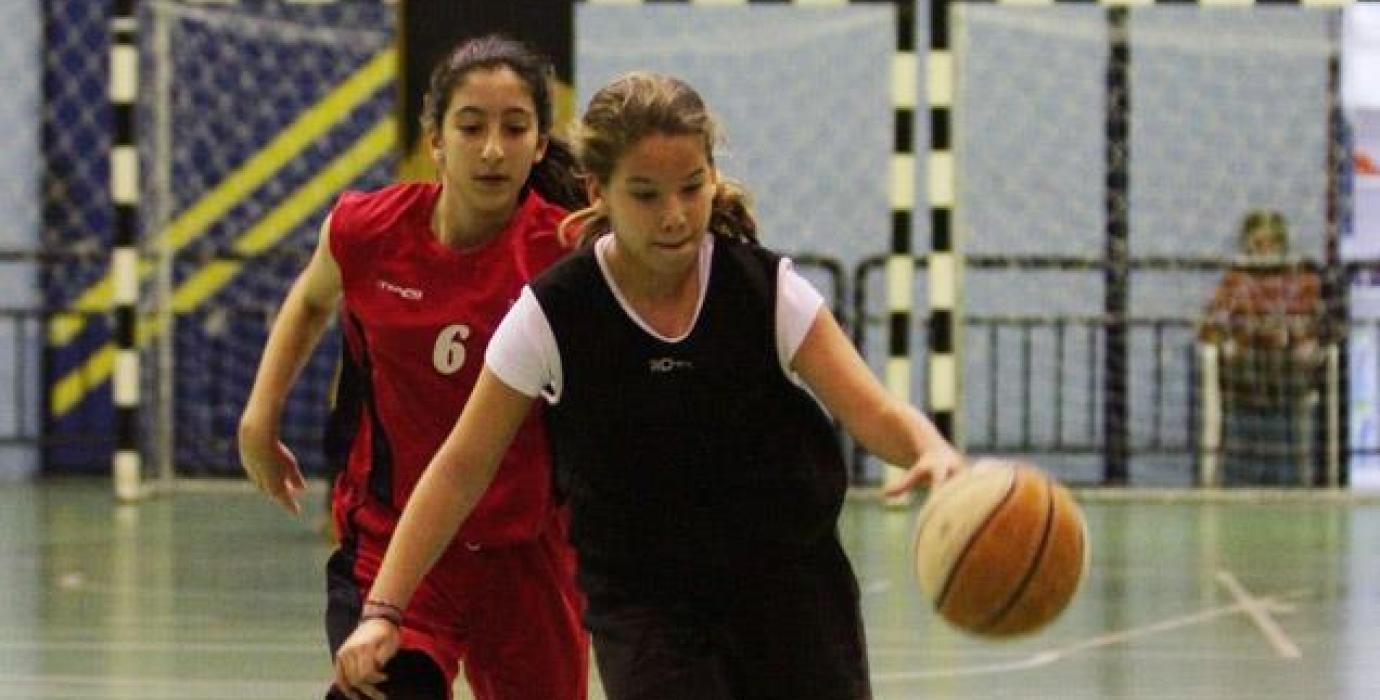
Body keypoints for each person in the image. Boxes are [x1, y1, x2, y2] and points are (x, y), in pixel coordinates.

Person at [331, 71, 965, 700]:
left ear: (712, 177)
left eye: (691, 188)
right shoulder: (554, 313)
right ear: (598, 191)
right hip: (646, 601)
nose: (675, 216)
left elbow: (875, 412)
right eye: (646, 195)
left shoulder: (767, 292)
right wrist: (384, 609)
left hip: (788, 587)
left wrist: (930, 449)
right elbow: (460, 467)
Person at [237, 35, 588, 700]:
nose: (493, 149)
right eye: (471, 127)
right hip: (393, 544)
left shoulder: (567, 256)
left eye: (515, 129)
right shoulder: (366, 231)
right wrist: (260, 415)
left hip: (526, 553)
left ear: (541, 145)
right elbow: (311, 300)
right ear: (436, 141)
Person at [1198, 209, 1325, 485]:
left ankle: (1288, 479)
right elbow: (1212, 325)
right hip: (1245, 375)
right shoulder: (1237, 281)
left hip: (1287, 372)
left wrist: (1296, 336)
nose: (1265, 250)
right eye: (1259, 243)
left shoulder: (1301, 280)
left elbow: (1315, 323)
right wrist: (1234, 338)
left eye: (1271, 243)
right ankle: (1241, 477)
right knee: (1250, 369)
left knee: (1285, 370)